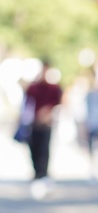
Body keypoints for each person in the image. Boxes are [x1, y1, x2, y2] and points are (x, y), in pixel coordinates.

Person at [24, 61, 63, 198]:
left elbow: (57, 104)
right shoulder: (33, 88)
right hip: (33, 124)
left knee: (44, 150)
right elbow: (27, 104)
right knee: (34, 149)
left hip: (46, 124)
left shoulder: (54, 89)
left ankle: (43, 176)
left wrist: (48, 114)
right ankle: (37, 175)